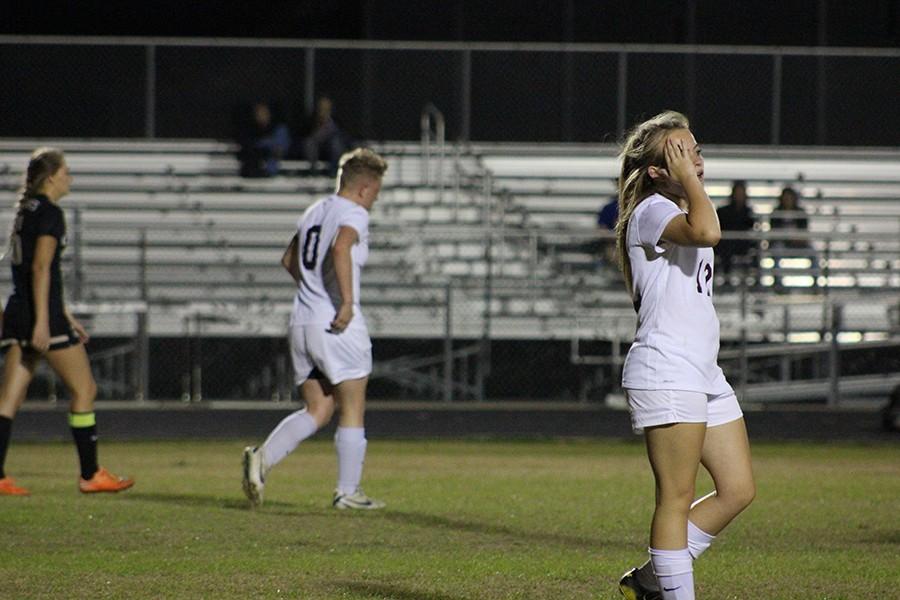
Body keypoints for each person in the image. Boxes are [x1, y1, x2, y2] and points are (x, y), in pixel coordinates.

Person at [613, 112, 755, 599]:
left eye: (695, 147)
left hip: (702, 371)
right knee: (674, 499)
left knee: (738, 488)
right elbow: (708, 233)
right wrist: (691, 183)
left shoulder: (683, 204)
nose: (695, 156)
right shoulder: (652, 207)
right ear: (656, 170)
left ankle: (656, 576)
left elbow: (705, 228)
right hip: (667, 369)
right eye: (681, 151)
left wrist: (690, 182)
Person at [242, 148, 388, 510]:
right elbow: (341, 248)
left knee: (318, 409)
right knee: (352, 405)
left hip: (303, 321)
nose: (375, 200)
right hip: (335, 323)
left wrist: (312, 293)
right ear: (365, 188)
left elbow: (289, 260)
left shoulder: (314, 211)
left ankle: (262, 459)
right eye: (376, 192)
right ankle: (347, 491)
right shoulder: (354, 212)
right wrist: (346, 303)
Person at [0, 147, 134, 496]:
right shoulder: (51, 214)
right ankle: (90, 474)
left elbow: (35, 271)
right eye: (66, 171)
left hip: (17, 311)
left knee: (8, 400)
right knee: (85, 389)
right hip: (40, 317)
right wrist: (46, 322)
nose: (70, 177)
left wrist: (67, 315)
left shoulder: (23, 212)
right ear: (51, 177)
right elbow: (42, 267)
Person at [296, 96, 351, 177]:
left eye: (326, 109)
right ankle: (313, 173)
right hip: (315, 151)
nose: (323, 112)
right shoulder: (310, 123)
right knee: (309, 143)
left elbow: (345, 139)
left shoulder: (336, 123)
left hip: (331, 151)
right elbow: (303, 137)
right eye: (321, 109)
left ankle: (334, 173)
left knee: (336, 144)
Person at [768, 186, 811, 290]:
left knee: (813, 252)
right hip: (782, 244)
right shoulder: (776, 213)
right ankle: (778, 282)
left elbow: (804, 233)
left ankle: (816, 283)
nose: (788, 201)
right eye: (785, 198)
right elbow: (774, 233)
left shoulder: (800, 213)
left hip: (798, 244)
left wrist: (796, 239)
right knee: (776, 250)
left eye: (790, 198)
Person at [715, 180, 757, 283]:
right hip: (726, 244)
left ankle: (754, 281)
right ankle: (726, 280)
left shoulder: (749, 212)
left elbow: (752, 228)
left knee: (755, 251)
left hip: (743, 244)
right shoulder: (723, 211)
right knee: (725, 249)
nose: (739, 196)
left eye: (741, 193)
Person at [236, 101, 291, 178]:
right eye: (258, 113)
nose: (261, 116)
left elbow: (279, 150)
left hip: (276, 168)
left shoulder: (280, 129)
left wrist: (266, 147)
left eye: (264, 113)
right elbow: (248, 148)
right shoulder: (250, 130)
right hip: (254, 169)